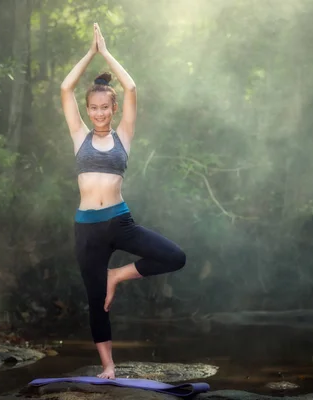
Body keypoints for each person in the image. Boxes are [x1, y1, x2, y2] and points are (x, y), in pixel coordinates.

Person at [60, 23, 187, 379]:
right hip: (87, 229)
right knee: (96, 302)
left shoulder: (124, 137)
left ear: (113, 109)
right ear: (87, 110)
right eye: (93, 108)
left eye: (105, 107)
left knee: (175, 257)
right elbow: (65, 87)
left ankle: (117, 275)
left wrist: (107, 52)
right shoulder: (79, 136)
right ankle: (108, 366)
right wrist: (90, 53)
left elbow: (131, 86)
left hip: (120, 222)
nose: (99, 113)